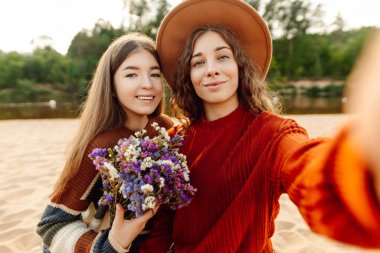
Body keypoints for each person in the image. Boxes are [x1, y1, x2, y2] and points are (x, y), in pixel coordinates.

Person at [140, 0, 380, 252]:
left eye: (223, 57)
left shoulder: (274, 135)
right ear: (188, 75)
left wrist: (365, 165)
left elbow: (310, 173)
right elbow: (161, 228)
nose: (211, 70)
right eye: (198, 62)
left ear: (240, 66)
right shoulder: (174, 141)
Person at [36, 33, 173, 253]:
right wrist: (110, 244)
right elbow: (51, 224)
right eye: (131, 75)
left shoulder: (166, 128)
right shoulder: (100, 146)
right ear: (111, 86)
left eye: (155, 74)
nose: (147, 84)